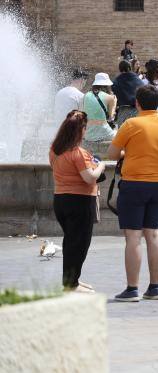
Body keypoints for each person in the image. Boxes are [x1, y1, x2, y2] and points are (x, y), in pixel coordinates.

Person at [108, 85, 158, 302]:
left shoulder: (131, 124)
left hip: (134, 184)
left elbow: (113, 154)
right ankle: (155, 287)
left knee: (133, 236)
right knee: (153, 233)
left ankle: (132, 289)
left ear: (137, 103)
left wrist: (129, 152)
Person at [49, 110, 105, 293]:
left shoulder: (54, 150)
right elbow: (89, 178)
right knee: (80, 243)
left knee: (71, 242)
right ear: (80, 130)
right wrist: (101, 166)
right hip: (80, 202)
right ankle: (71, 285)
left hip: (61, 200)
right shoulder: (78, 153)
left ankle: (72, 281)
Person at [83, 73, 118, 143]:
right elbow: (111, 118)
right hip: (103, 131)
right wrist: (114, 103)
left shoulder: (86, 95)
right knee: (119, 134)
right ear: (107, 85)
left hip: (88, 133)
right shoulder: (110, 97)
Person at [112, 60, 144, 126]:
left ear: (120, 69)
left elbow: (114, 93)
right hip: (137, 110)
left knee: (123, 133)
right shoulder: (138, 80)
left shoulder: (116, 81)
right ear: (130, 67)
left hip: (123, 111)